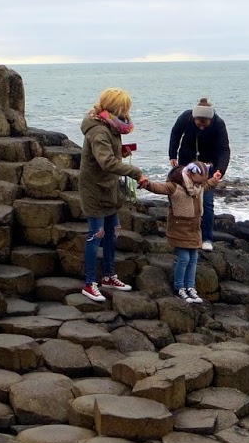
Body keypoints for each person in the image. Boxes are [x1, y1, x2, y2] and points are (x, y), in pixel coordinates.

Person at [79, 88, 150, 303]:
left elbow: (110, 155)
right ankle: (90, 283)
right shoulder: (99, 131)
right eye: (124, 108)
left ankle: (109, 276)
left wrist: (122, 152)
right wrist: (136, 173)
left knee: (112, 234)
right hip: (94, 189)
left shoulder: (110, 125)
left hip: (109, 188)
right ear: (115, 107)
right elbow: (106, 162)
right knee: (95, 236)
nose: (126, 112)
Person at [168, 97, 231, 251]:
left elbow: (224, 149)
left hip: (208, 166)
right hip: (187, 164)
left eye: (205, 124)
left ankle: (207, 238)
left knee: (207, 202)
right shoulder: (185, 118)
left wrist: (220, 171)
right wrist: (172, 155)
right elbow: (175, 133)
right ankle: (182, 235)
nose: (202, 127)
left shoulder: (219, 124)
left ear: (211, 120)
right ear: (194, 118)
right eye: (199, 123)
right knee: (184, 198)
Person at [154, 162, 222, 303]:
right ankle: (179, 287)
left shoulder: (199, 186)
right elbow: (160, 188)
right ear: (190, 174)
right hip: (180, 229)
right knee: (184, 258)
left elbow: (207, 185)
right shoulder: (175, 186)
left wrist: (214, 179)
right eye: (198, 181)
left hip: (194, 229)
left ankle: (190, 287)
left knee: (193, 259)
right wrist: (146, 183)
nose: (200, 184)